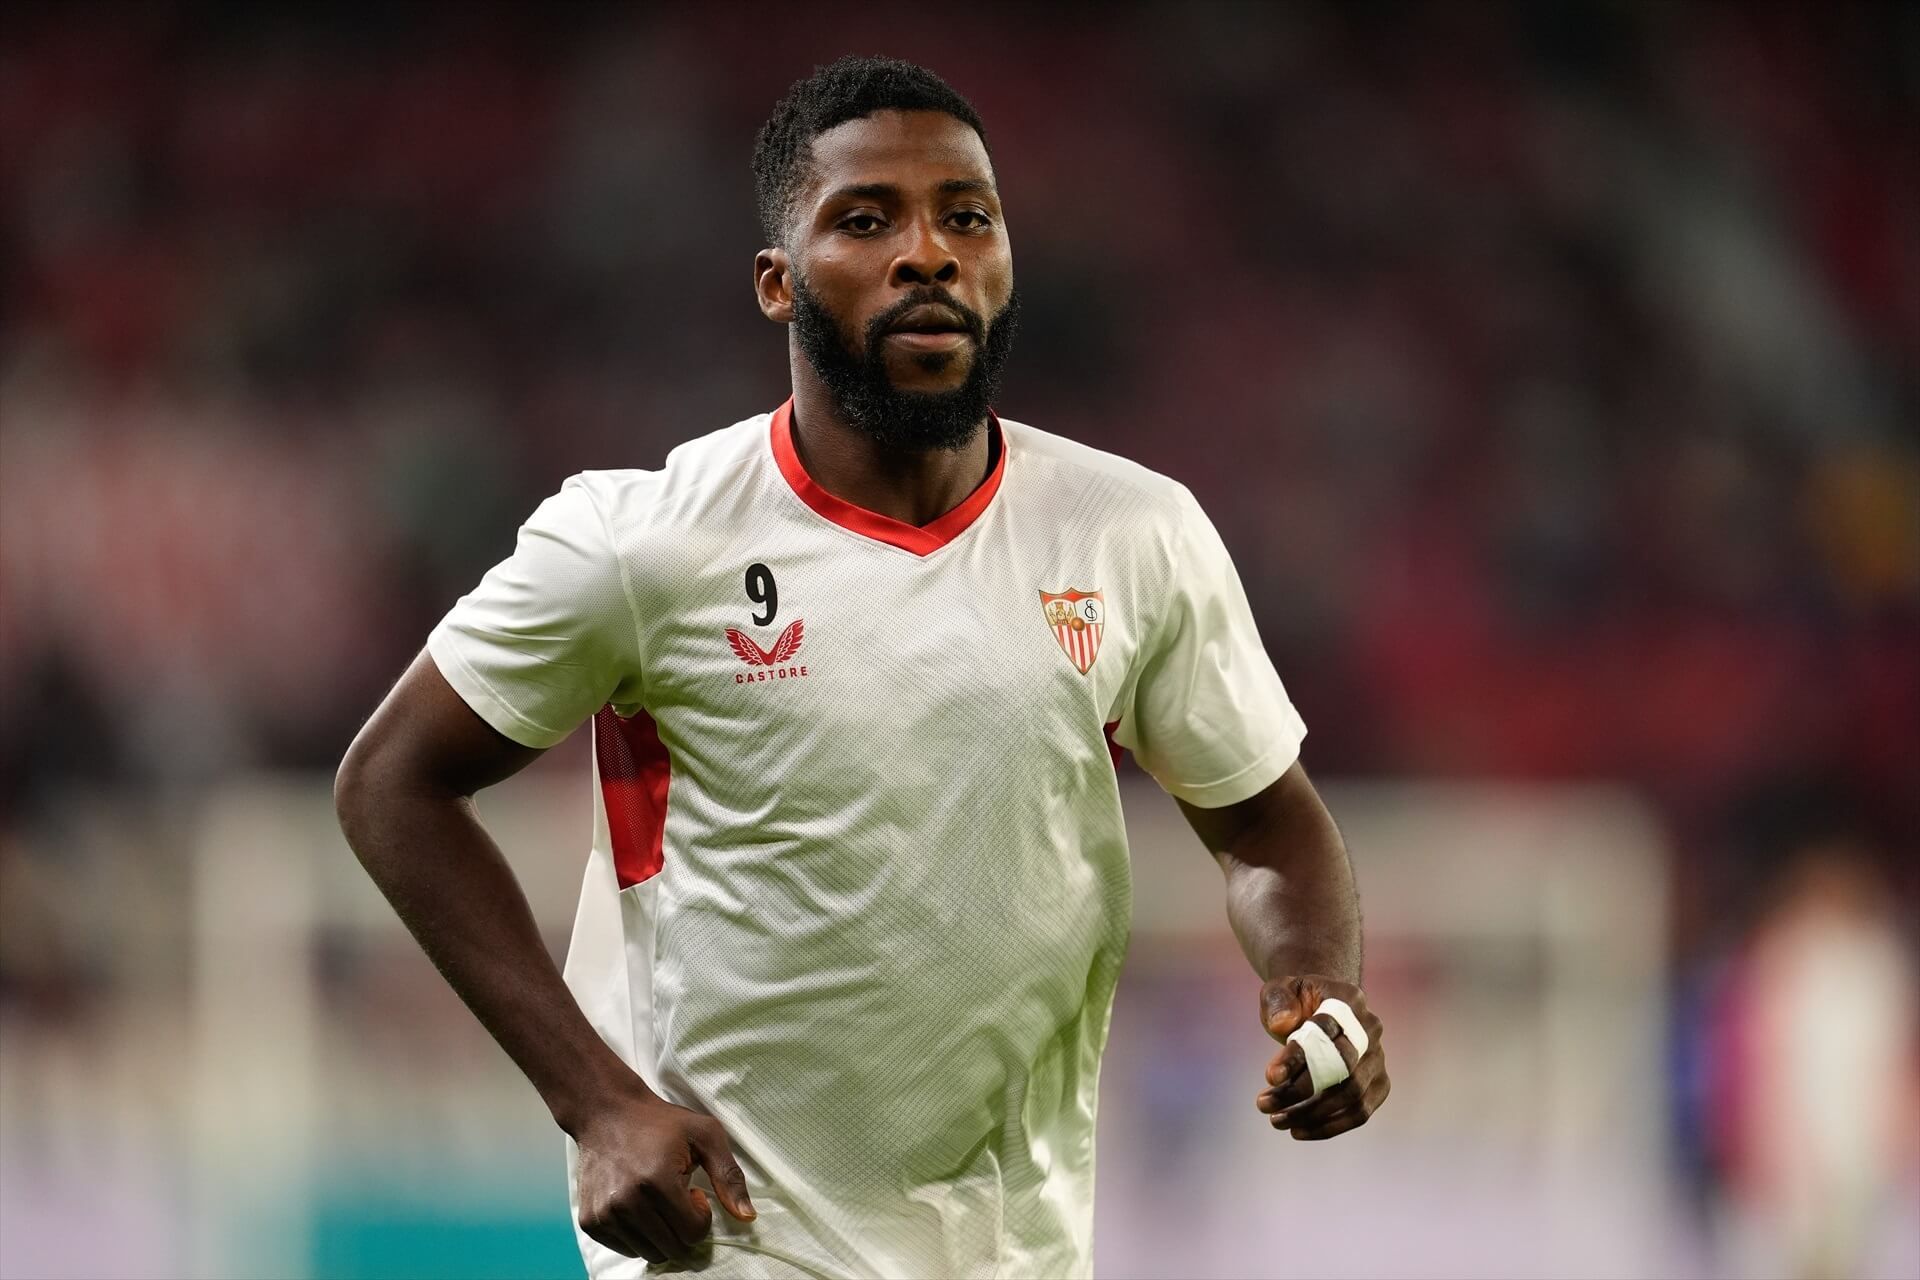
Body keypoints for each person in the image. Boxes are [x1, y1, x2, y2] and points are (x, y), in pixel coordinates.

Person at [335, 55, 1389, 1280]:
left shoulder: (1132, 534)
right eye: (867, 219)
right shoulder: (643, 541)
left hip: (1013, 1249)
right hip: (728, 1243)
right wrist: (596, 1100)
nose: (928, 252)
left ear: (1004, 268)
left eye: (966, 216)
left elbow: (1266, 824)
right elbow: (391, 782)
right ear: (779, 284)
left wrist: (1319, 984)